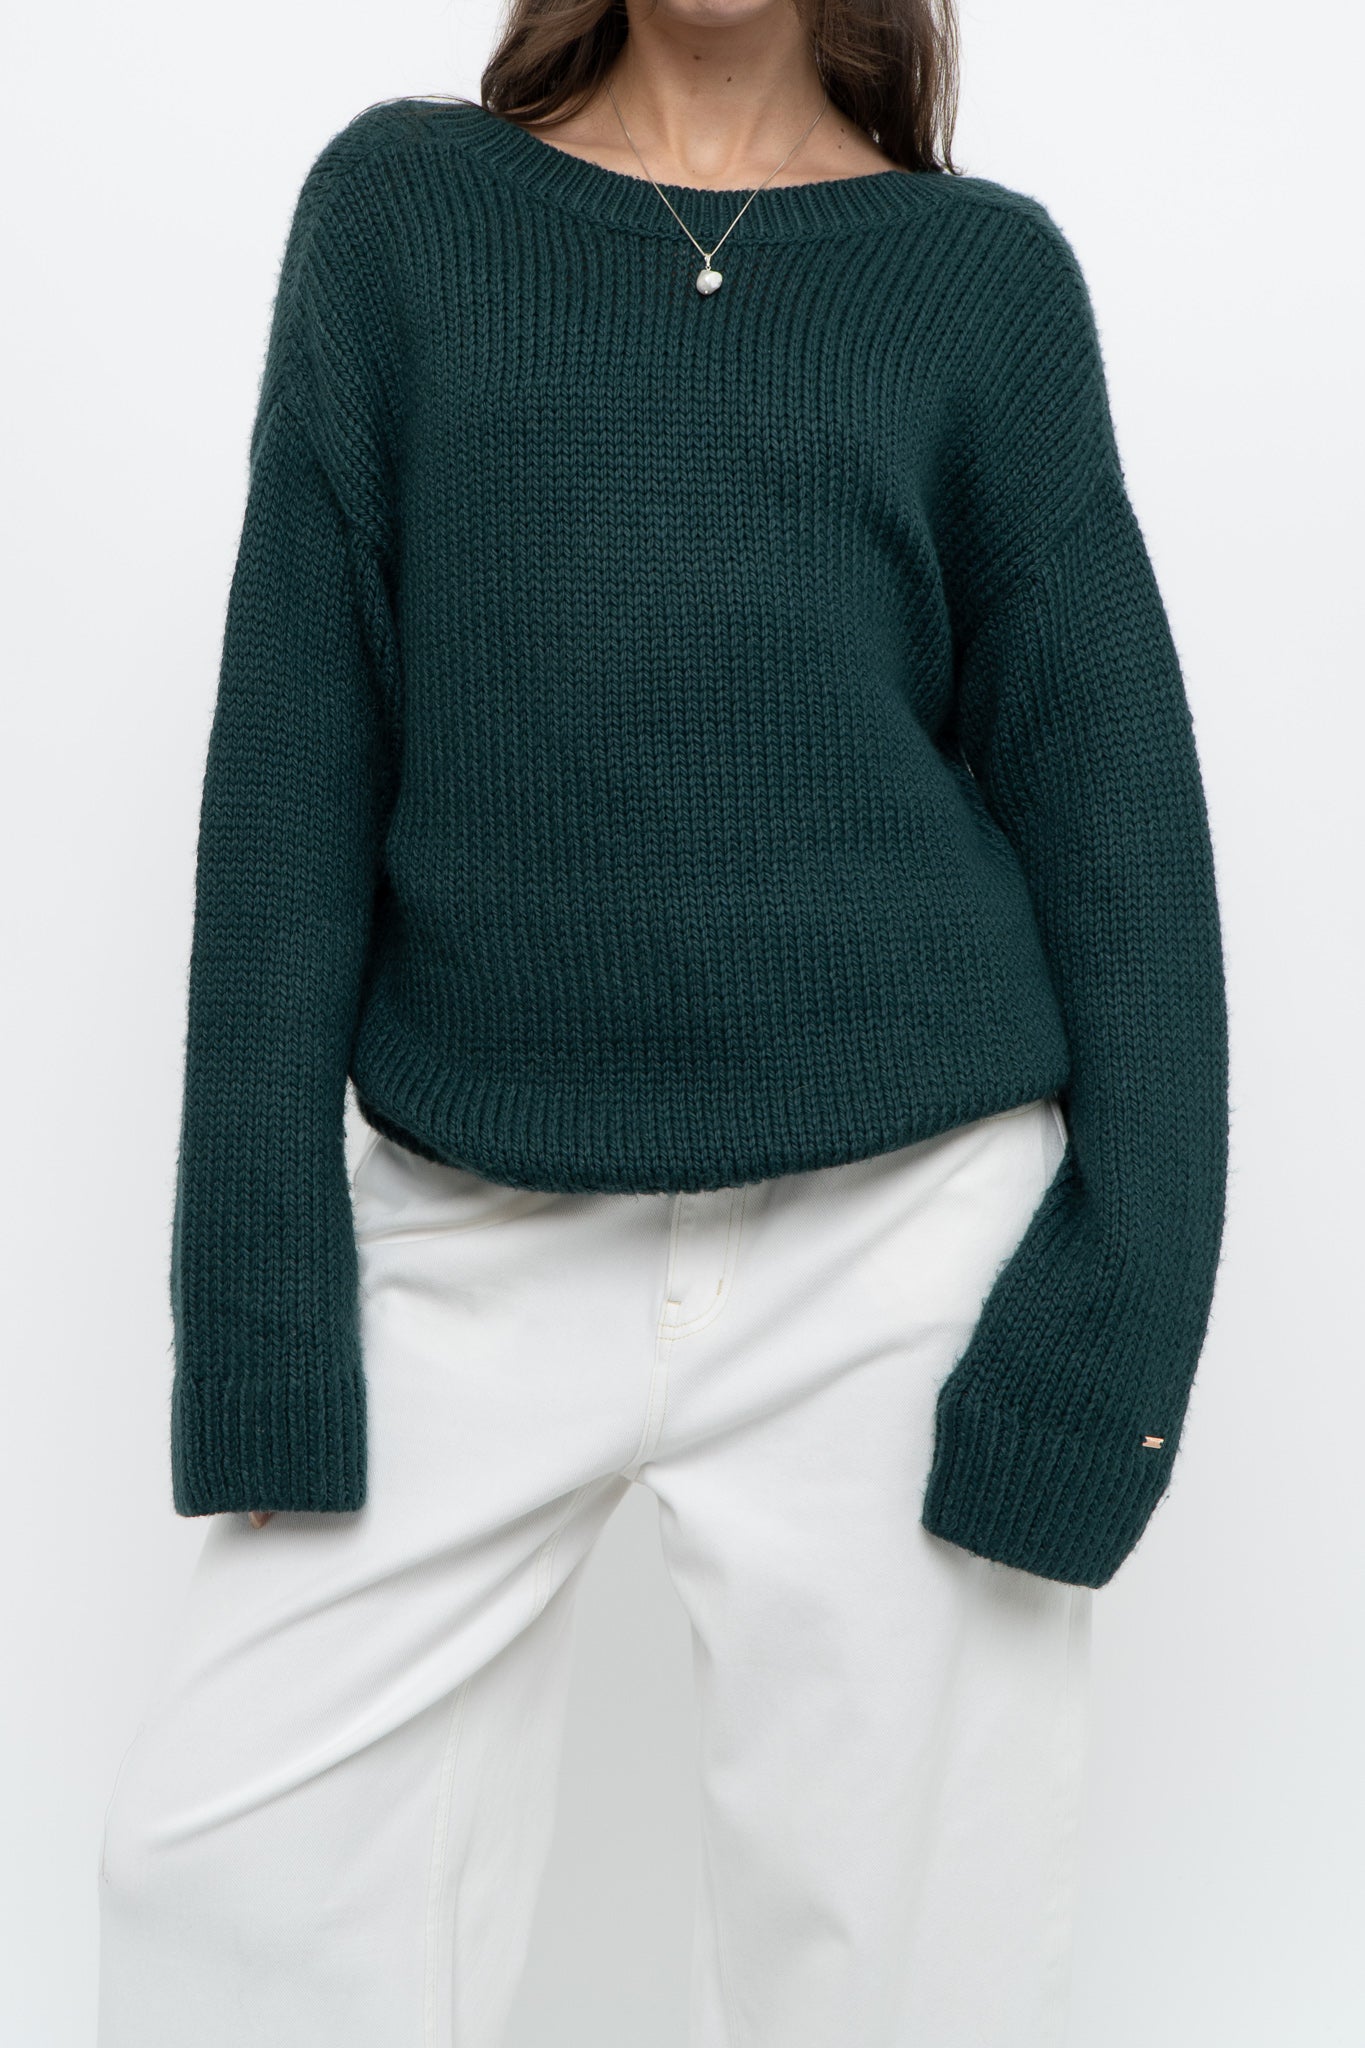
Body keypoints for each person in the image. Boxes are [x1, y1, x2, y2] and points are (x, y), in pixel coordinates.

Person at [95, 1, 1229, 2042]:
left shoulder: (976, 282)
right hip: (478, 1222)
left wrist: (1109, 1340)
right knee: (230, 1894)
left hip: (897, 1250)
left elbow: (1122, 842)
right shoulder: (402, 214)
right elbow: (287, 791)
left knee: (909, 1989)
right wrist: (262, 1330)